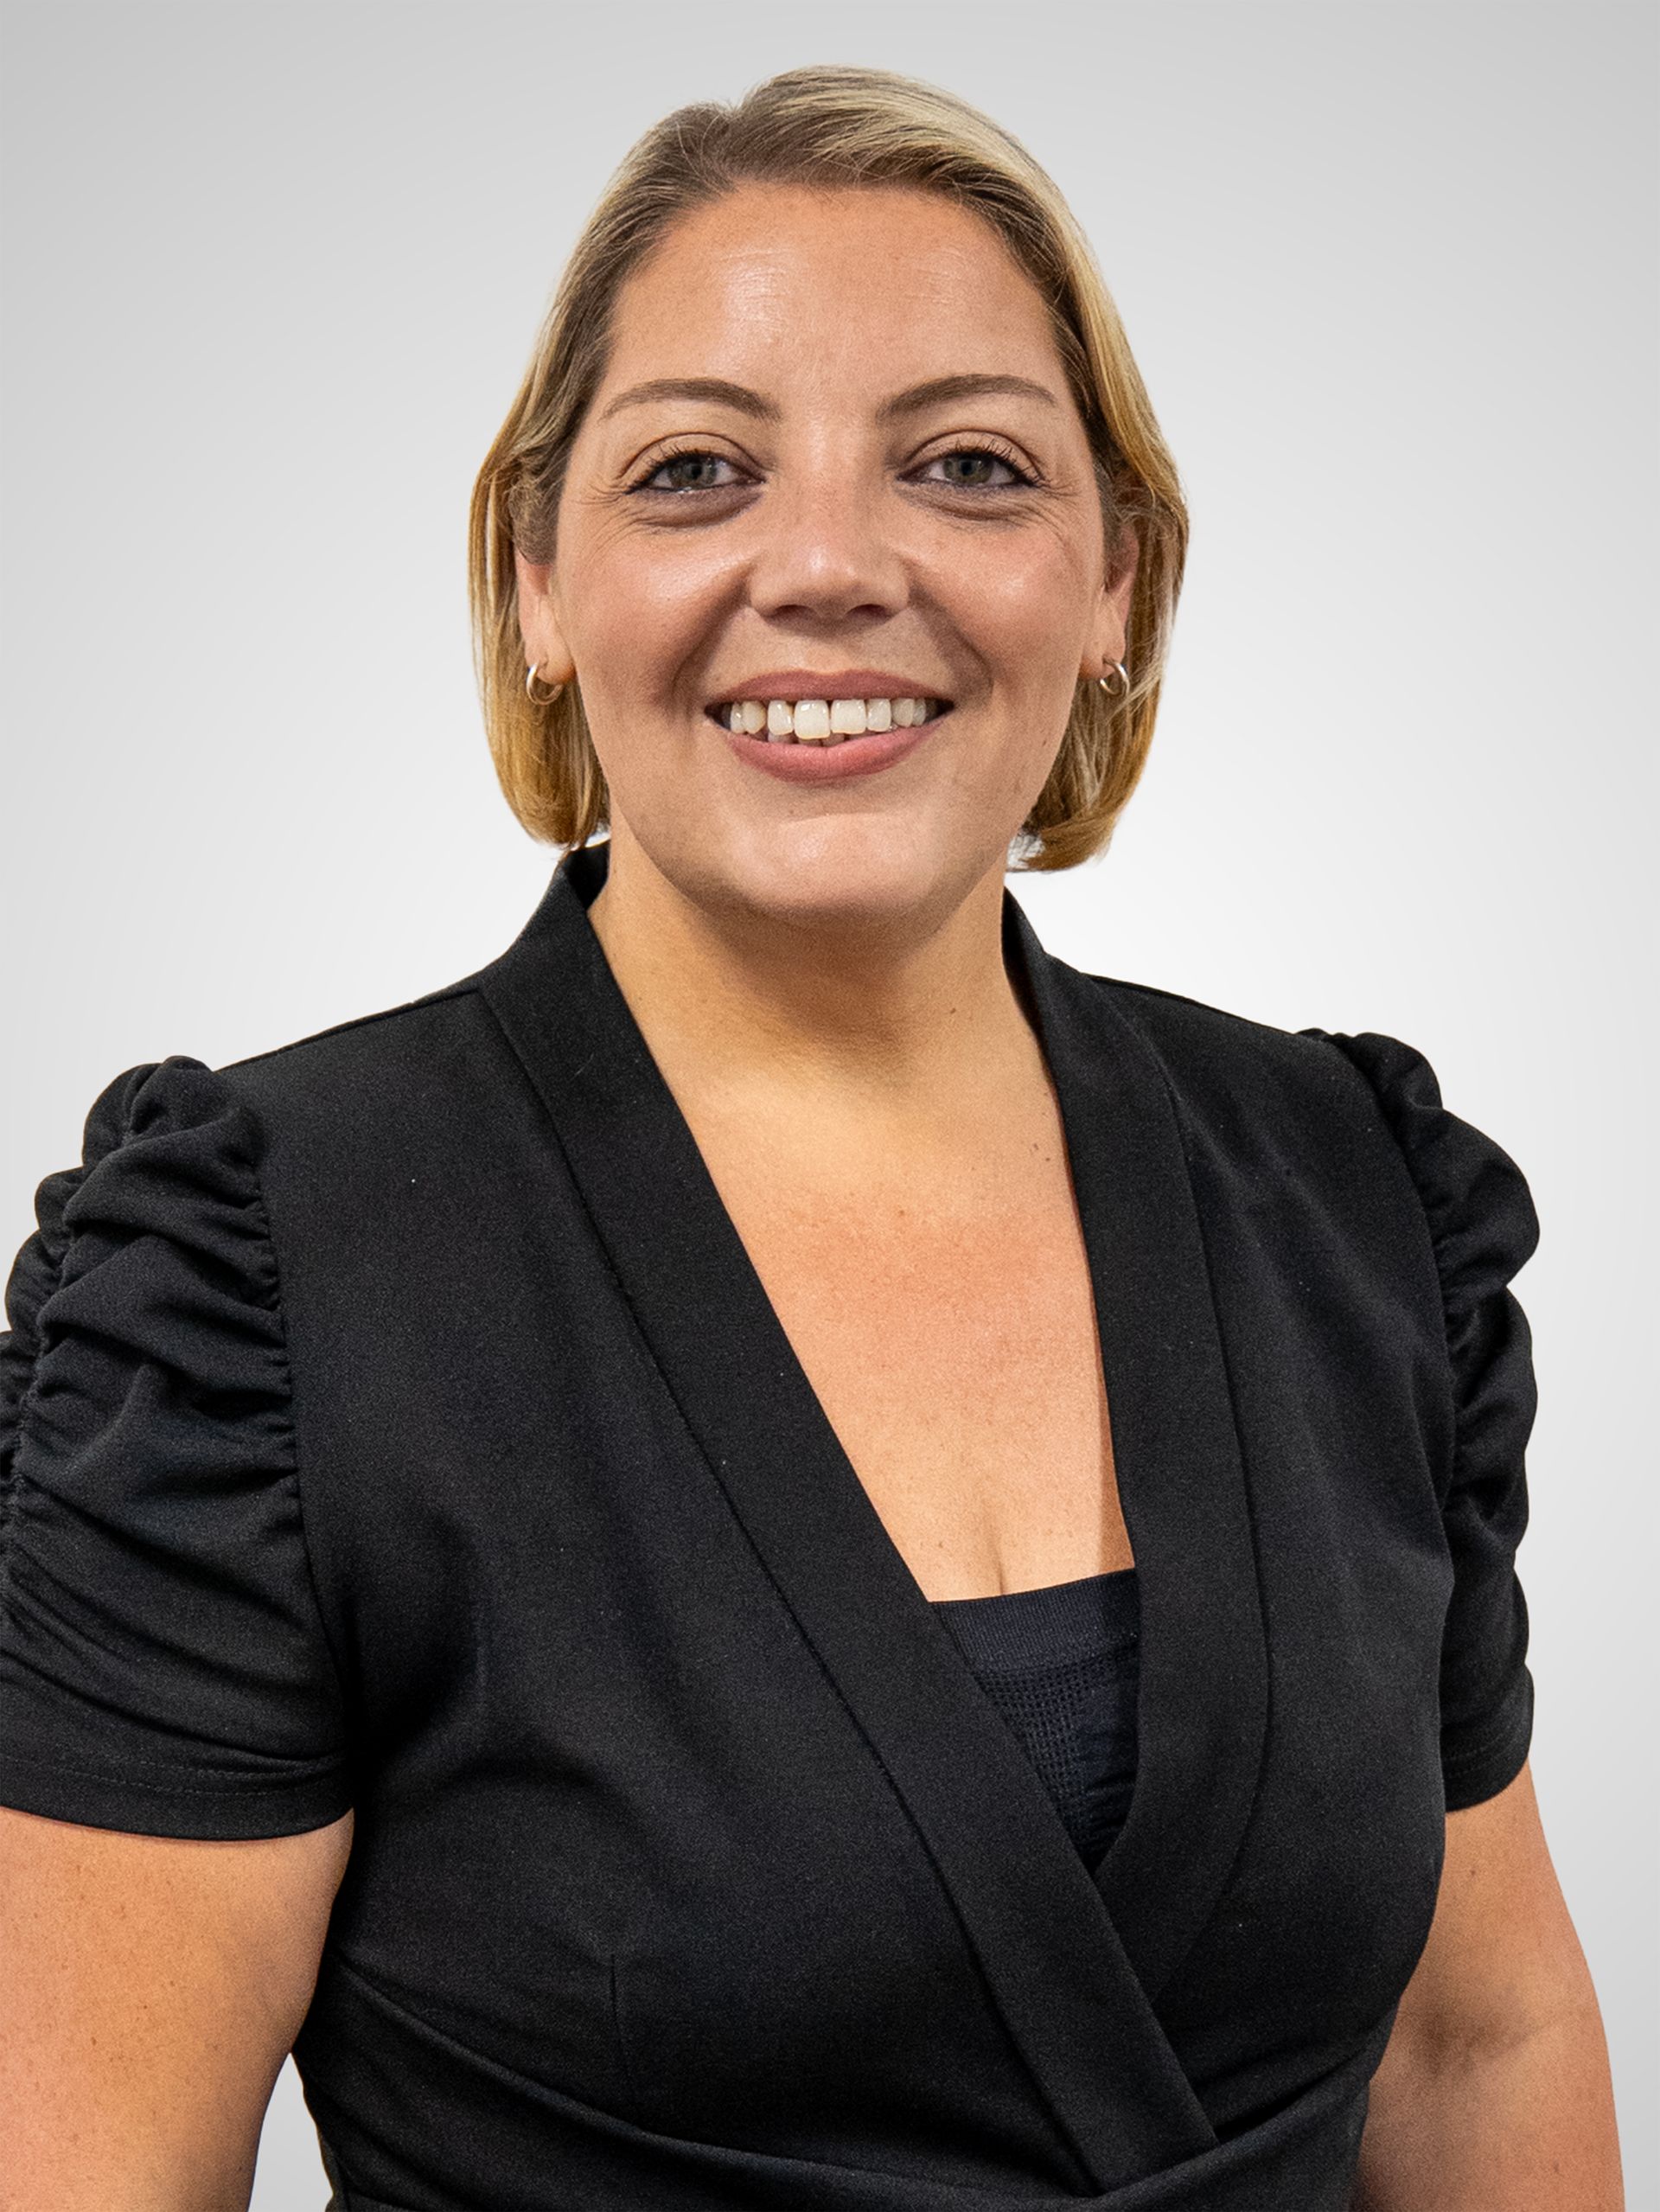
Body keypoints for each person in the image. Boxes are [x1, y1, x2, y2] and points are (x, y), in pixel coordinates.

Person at [0, 62, 1623, 2212]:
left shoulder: (1349, 1199)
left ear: (1115, 576)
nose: (835, 566)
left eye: (966, 465)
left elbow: (1469, 2033)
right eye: (696, 471)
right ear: (535, 585)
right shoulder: (257, 1288)